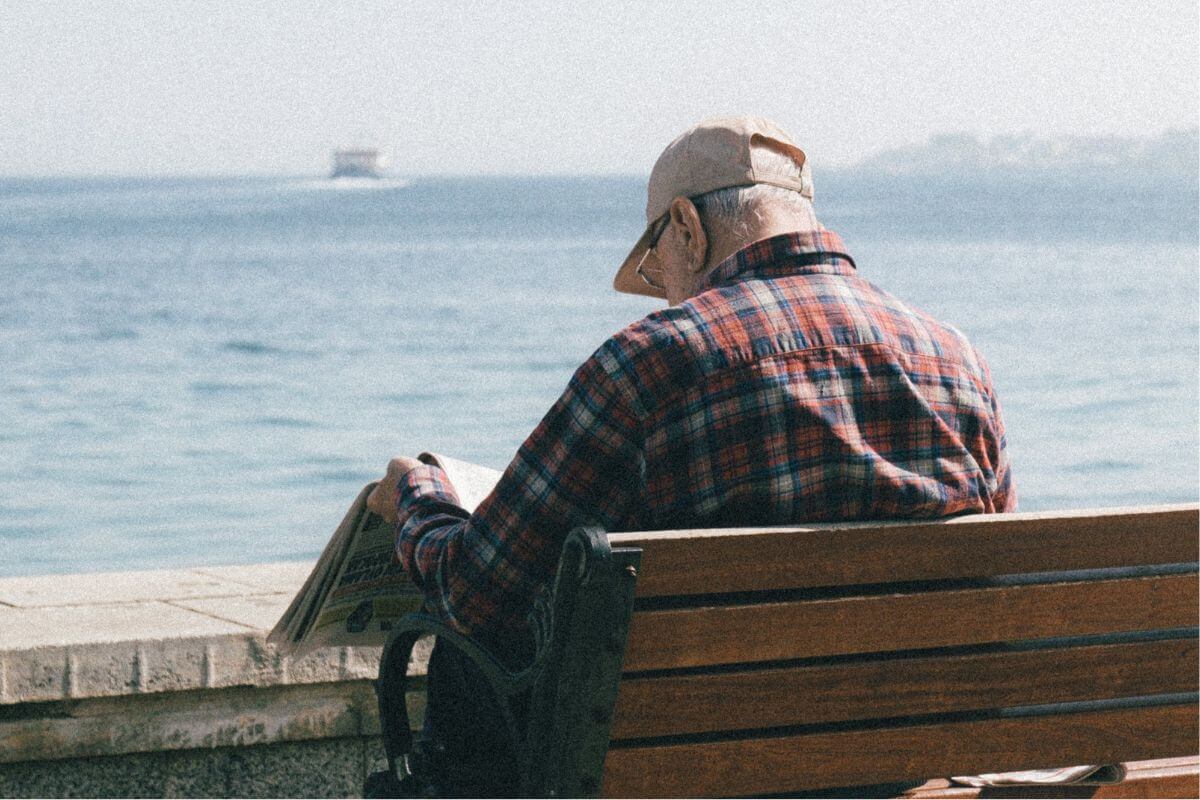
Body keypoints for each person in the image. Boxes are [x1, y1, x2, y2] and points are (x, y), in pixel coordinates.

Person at [366, 115, 1015, 794]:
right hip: (899, 769)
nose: (669, 292)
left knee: (468, 661)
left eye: (657, 265)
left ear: (686, 227)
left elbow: (476, 588)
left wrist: (421, 497)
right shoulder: (956, 361)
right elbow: (995, 582)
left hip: (699, 777)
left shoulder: (649, 366)